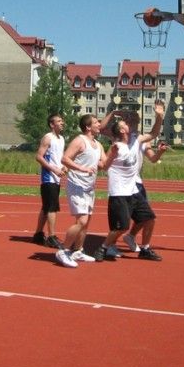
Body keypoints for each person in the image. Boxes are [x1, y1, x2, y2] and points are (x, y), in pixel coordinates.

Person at [94, 100, 165, 262]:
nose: (129, 123)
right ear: (121, 130)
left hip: (134, 189)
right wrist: (98, 161)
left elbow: (153, 134)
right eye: (125, 123)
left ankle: (145, 249)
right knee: (122, 227)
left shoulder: (136, 139)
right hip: (119, 191)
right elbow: (104, 167)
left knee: (149, 219)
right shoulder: (116, 146)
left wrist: (159, 116)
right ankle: (104, 247)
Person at [55, 115, 106, 268]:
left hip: (89, 187)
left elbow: (103, 164)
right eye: (96, 122)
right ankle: (63, 250)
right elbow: (65, 159)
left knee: (86, 221)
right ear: (88, 127)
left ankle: (78, 250)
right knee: (81, 221)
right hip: (76, 185)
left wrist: (116, 151)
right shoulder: (79, 141)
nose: (99, 124)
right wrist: (82, 168)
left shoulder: (98, 144)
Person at [32, 114, 66, 249]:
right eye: (59, 121)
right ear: (52, 124)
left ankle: (38, 234)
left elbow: (59, 157)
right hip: (48, 178)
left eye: (62, 121)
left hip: (56, 177)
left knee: (46, 207)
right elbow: (39, 157)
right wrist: (54, 169)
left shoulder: (61, 139)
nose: (62, 123)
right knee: (52, 207)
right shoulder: (48, 137)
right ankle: (52, 236)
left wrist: (63, 166)